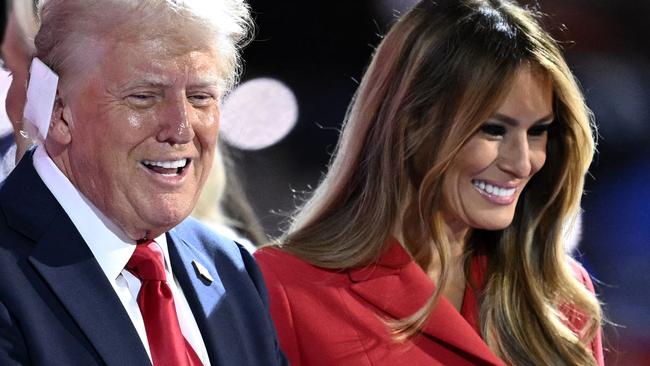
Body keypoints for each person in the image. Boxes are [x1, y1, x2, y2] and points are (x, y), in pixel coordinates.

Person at [254, 0, 604, 365]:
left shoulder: (561, 296)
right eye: (493, 130)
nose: (522, 162)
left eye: (538, 132)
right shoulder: (285, 287)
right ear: (410, 124)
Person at [0, 0, 287, 365]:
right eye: (144, 97)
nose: (181, 129)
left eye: (200, 97)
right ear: (59, 112)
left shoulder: (231, 270)